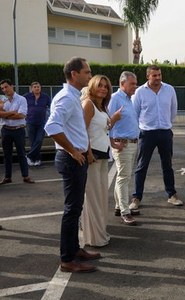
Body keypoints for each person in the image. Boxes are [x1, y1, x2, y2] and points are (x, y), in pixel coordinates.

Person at [45, 57, 100, 273]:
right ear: (74, 74)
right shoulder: (67, 98)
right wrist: (72, 150)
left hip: (76, 158)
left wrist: (83, 150)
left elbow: (73, 128)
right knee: (72, 210)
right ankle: (67, 259)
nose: (89, 74)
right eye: (87, 72)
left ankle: (75, 249)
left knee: (76, 208)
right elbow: (52, 126)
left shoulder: (72, 96)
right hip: (70, 160)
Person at [130, 65, 182, 209]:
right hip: (147, 133)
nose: (158, 78)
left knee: (167, 165)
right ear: (148, 76)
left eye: (159, 75)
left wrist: (166, 124)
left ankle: (172, 195)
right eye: (154, 75)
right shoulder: (140, 92)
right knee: (141, 166)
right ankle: (136, 197)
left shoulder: (169, 89)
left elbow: (173, 110)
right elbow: (135, 113)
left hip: (165, 132)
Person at [79, 75, 118, 247]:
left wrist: (113, 121)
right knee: (93, 198)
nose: (103, 88)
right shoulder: (88, 104)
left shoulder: (101, 106)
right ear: (92, 86)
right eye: (99, 85)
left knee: (101, 196)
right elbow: (83, 130)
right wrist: (87, 153)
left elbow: (102, 130)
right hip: (92, 156)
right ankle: (93, 238)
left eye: (106, 86)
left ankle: (99, 232)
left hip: (102, 155)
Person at [108, 71, 139, 225]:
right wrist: (113, 142)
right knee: (123, 178)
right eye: (132, 84)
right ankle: (125, 212)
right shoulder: (115, 99)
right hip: (123, 144)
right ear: (122, 84)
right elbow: (107, 122)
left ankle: (119, 206)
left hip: (132, 143)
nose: (135, 86)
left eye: (135, 83)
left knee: (123, 176)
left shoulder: (128, 99)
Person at [0, 79, 34, 185]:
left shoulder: (21, 99)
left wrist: (6, 114)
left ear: (12, 86)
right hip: (5, 130)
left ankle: (26, 176)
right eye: (2, 88)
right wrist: (13, 112)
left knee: (21, 154)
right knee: (7, 155)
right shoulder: (2, 100)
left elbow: (21, 115)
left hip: (18, 130)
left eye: (6, 87)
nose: (4, 90)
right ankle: (7, 177)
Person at [24, 82, 52, 166]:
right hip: (30, 122)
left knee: (39, 140)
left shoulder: (45, 97)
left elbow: (51, 106)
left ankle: (28, 156)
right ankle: (36, 159)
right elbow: (21, 105)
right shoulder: (26, 97)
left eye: (38, 87)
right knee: (33, 142)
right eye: (35, 87)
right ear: (31, 88)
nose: (37, 88)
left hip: (42, 122)